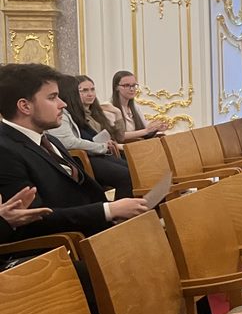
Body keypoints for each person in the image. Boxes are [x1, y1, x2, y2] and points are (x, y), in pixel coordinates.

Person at [0, 63, 150, 241]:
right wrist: (108, 211)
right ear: (25, 106)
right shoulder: (5, 151)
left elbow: (80, 194)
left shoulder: (50, 140)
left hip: (93, 229)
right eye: (52, 97)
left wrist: (114, 211)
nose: (62, 104)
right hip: (67, 243)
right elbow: (36, 218)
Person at [47, 75, 134, 200]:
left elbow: (115, 136)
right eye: (81, 91)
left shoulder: (74, 112)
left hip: (91, 153)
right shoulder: (62, 114)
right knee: (126, 175)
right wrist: (102, 147)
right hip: (79, 158)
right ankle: (121, 210)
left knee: (133, 169)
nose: (89, 94)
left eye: (92, 89)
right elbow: (68, 142)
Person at [110, 70, 170, 141]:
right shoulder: (111, 108)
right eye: (127, 85)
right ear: (116, 87)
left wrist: (156, 128)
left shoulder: (135, 107)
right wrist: (146, 130)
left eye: (134, 85)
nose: (132, 89)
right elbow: (118, 136)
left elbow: (145, 130)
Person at [77, 75, 124, 143]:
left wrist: (118, 112)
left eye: (92, 89)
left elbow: (120, 138)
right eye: (85, 90)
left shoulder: (97, 112)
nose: (90, 94)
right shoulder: (77, 116)